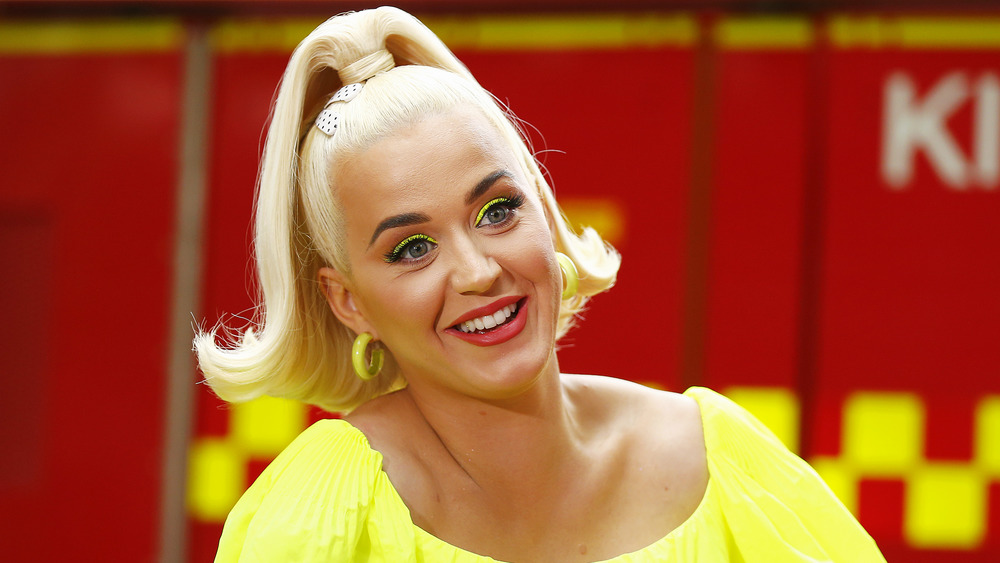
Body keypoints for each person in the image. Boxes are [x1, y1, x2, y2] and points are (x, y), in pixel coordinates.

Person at [197, 7, 884, 562]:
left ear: (546, 213)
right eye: (412, 248)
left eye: (497, 210)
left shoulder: (718, 461)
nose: (478, 271)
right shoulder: (324, 515)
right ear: (348, 301)